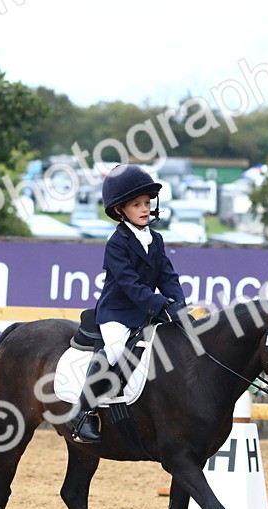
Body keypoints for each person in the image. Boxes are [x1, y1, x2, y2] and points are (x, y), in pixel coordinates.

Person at [70, 164, 188, 444]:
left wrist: (178, 303)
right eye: (137, 205)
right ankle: (82, 413)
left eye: (147, 202)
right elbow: (130, 285)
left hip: (147, 312)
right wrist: (162, 305)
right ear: (120, 210)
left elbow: (168, 276)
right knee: (114, 351)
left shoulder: (156, 239)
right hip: (117, 313)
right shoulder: (116, 243)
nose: (145, 209)